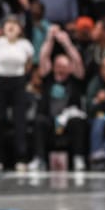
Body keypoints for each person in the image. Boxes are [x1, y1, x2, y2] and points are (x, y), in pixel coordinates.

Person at [31, 26, 87, 171]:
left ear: (70, 68)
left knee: (78, 121)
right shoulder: (48, 78)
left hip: (69, 119)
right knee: (39, 120)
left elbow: (77, 61)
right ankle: (40, 159)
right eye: (58, 66)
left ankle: (78, 157)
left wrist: (66, 43)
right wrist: (50, 38)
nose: (61, 69)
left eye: (64, 66)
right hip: (50, 119)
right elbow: (43, 58)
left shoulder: (75, 80)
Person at [0, 15, 34, 171]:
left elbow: (29, 65)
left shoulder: (25, 45)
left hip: (18, 82)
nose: (11, 27)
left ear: (20, 29)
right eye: (8, 24)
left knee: (20, 120)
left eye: (14, 24)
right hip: (0, 81)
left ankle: (21, 158)